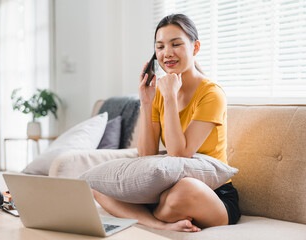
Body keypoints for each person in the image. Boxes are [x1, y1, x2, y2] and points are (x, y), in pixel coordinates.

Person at [92, 13, 241, 232]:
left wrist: (170, 97)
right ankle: (157, 222)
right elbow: (147, 154)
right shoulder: (160, 93)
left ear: (195, 47)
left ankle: (145, 215)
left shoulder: (212, 94)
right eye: (160, 47)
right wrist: (146, 102)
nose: (167, 53)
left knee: (185, 189)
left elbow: (180, 155)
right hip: (167, 190)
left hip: (211, 193)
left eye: (176, 44)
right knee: (99, 187)